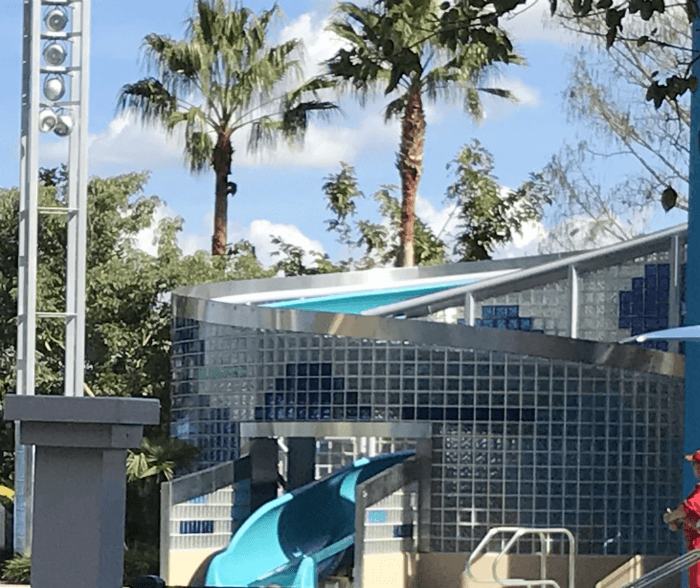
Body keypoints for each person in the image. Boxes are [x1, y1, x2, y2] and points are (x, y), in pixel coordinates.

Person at [663, 449, 700, 588]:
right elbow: (693, 517)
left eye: (695, 464)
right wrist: (679, 523)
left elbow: (685, 509)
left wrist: (669, 517)